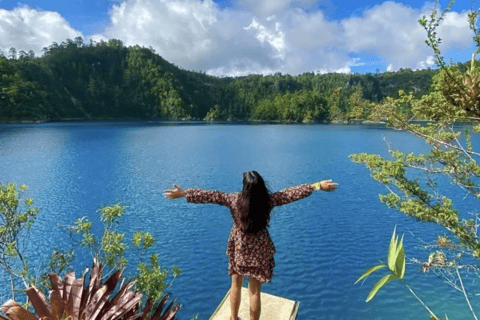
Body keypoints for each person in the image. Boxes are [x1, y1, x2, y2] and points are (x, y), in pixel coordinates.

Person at [164, 171, 337, 320]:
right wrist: (316, 185)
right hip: (259, 249)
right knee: (254, 292)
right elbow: (291, 193)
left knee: (236, 284)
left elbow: (212, 195)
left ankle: (233, 317)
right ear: (261, 186)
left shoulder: (234, 200)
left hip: (239, 247)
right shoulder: (268, 201)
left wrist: (185, 193)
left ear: (245, 188)